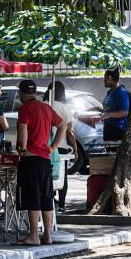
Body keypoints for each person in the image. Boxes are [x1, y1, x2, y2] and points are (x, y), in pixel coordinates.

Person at [14, 79, 67, 246]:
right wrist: (52, 147)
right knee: (46, 197)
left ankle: (34, 235)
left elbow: (23, 128)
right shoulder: (46, 107)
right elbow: (63, 125)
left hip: (30, 158)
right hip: (45, 159)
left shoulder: (25, 109)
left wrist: (22, 148)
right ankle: (48, 235)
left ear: (22, 93)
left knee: (33, 196)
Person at [43, 81, 77, 213]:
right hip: (61, 147)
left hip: (45, 146)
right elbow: (70, 131)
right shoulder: (64, 108)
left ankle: (49, 201)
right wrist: (75, 149)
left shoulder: (44, 105)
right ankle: (62, 205)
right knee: (62, 176)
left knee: (47, 175)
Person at [102, 68, 130, 141]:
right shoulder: (110, 92)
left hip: (117, 130)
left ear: (110, 78)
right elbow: (110, 109)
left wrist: (109, 115)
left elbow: (124, 112)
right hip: (109, 128)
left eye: (104, 78)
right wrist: (98, 110)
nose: (103, 80)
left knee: (114, 152)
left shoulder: (121, 92)